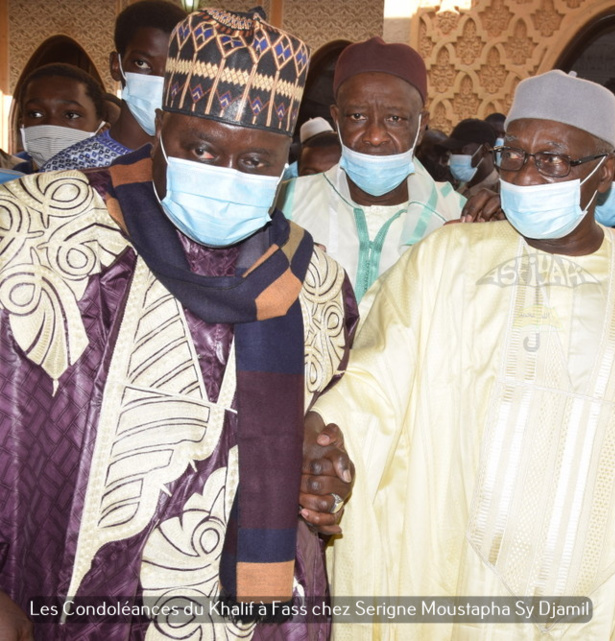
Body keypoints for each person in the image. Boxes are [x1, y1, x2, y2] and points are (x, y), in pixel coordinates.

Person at [0, 8, 356, 640]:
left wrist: (319, 469)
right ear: (160, 127)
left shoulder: (318, 288)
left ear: (286, 164)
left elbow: (312, 437)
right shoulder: (34, 230)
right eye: (200, 148)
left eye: (254, 160)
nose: (223, 174)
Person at [301, 69, 615, 639]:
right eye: (514, 156)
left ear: (602, 173)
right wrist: (323, 433)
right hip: (448, 568)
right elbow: (376, 382)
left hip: (591, 586)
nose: (526, 176)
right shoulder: (449, 256)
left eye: (553, 160)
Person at [281, 37, 465, 300]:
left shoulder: (456, 215)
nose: (375, 136)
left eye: (395, 118)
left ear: (421, 126)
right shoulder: (286, 205)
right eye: (357, 116)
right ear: (336, 119)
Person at [43, 0, 186, 172]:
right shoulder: (66, 170)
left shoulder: (194, 169)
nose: (160, 80)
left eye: (174, 68)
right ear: (116, 66)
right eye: (141, 63)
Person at [12, 63, 106, 173]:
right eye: (35, 114)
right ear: (22, 125)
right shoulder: (10, 183)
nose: (51, 125)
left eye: (71, 115)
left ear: (101, 132)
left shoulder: (120, 185)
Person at [440, 117, 499, 198]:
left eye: (461, 150)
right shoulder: (459, 192)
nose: (452, 158)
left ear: (484, 150)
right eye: (452, 152)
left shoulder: (498, 195)